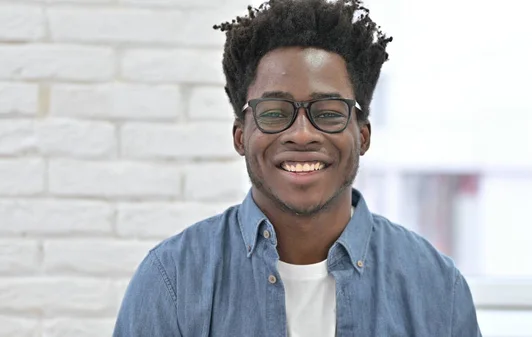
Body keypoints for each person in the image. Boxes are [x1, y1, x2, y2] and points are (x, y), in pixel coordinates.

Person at [113, 0, 481, 336]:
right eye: (274, 113)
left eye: (328, 113)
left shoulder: (436, 288)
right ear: (241, 136)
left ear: (363, 135)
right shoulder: (173, 279)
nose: (302, 134)